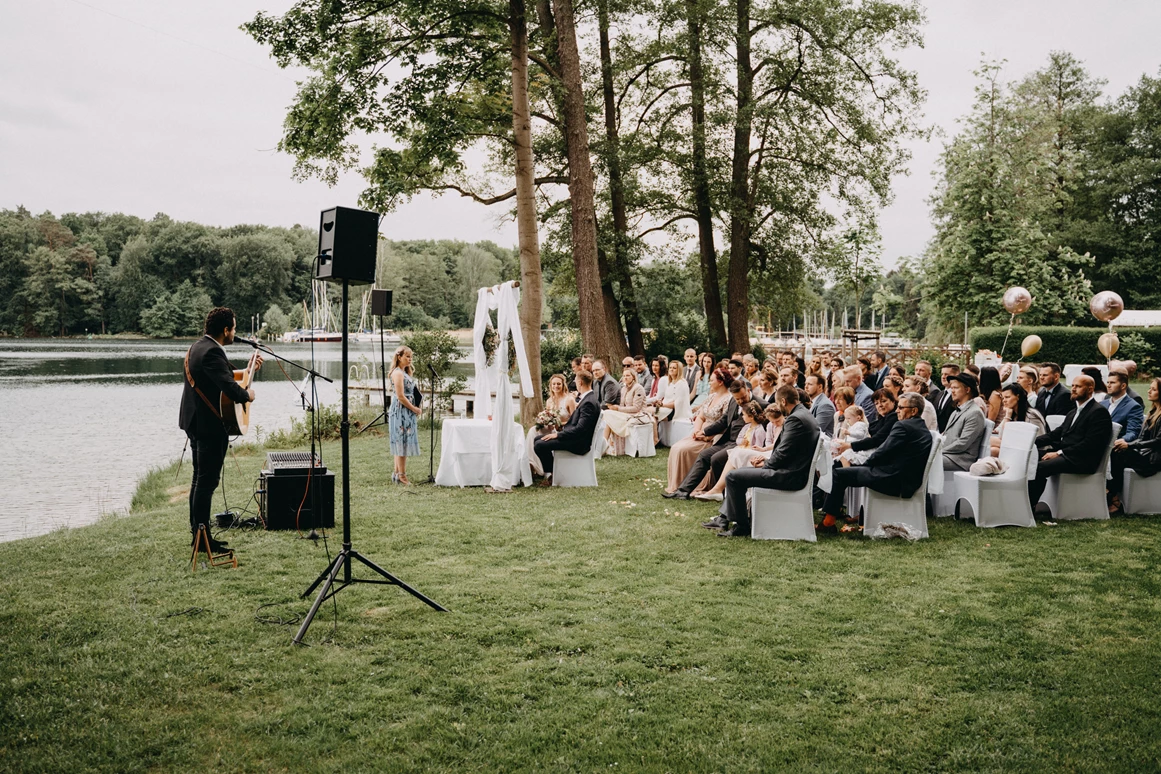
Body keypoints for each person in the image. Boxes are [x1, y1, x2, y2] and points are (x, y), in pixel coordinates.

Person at [179, 306, 260, 553]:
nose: (235, 332)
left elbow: (225, 375)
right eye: (234, 328)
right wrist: (248, 395)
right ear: (226, 330)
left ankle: (199, 536)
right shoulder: (213, 352)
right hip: (208, 427)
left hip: (194, 422)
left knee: (198, 480)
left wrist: (249, 370)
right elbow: (231, 389)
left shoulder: (198, 347)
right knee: (206, 482)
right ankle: (203, 542)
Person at [708, 386, 821, 537]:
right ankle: (725, 518)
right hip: (792, 470)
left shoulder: (795, 419)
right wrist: (766, 460)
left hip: (789, 475)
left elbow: (783, 452)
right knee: (739, 471)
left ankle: (741, 527)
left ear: (783, 401)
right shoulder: (804, 414)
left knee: (733, 477)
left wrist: (766, 464)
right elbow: (786, 450)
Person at [819, 392, 933, 532]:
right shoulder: (922, 428)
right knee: (842, 471)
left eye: (901, 408)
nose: (897, 410)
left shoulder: (903, 426)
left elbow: (883, 451)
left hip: (892, 478)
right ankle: (842, 517)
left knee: (838, 474)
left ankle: (828, 523)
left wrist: (864, 465)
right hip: (907, 479)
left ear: (914, 410)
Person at [664, 378, 760, 499]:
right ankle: (683, 491)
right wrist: (704, 431)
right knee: (704, 455)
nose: (740, 401)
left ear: (748, 390)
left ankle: (720, 491)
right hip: (727, 440)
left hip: (743, 444)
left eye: (743, 397)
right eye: (737, 398)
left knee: (716, 459)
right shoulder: (733, 401)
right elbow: (724, 421)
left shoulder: (760, 404)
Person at [1027, 375, 1114, 508]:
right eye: (1073, 386)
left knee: (1040, 467)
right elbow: (1056, 434)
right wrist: (1030, 442)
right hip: (1069, 455)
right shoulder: (1073, 412)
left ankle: (1029, 506)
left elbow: (1091, 444)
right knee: (1030, 458)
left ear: (1090, 389)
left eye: (1078, 386)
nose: (1073, 389)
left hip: (1083, 460)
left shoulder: (1098, 412)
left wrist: (1060, 453)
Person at [666, 368, 732, 492]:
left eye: (711, 380)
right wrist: (696, 430)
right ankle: (678, 484)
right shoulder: (711, 396)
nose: (709, 383)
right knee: (676, 447)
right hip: (699, 433)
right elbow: (701, 416)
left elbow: (724, 424)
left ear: (720, 382)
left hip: (714, 437)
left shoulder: (729, 399)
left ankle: (692, 484)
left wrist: (707, 436)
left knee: (684, 450)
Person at [534, 370, 601, 485]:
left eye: (575, 381)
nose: (574, 383)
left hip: (578, 442)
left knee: (540, 445)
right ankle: (554, 473)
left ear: (580, 382)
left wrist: (558, 435)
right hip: (574, 436)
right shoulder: (588, 398)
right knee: (537, 439)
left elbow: (580, 429)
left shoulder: (588, 402)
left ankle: (553, 475)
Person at [692, 400, 767, 501]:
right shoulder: (746, 427)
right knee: (727, 456)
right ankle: (720, 490)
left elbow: (758, 445)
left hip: (750, 452)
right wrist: (742, 442)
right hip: (741, 448)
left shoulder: (759, 430)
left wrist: (749, 447)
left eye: (744, 415)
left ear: (751, 416)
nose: (742, 417)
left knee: (732, 456)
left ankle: (718, 490)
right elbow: (738, 438)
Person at [1109, 378, 1161, 514]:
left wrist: (1130, 445)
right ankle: (1111, 492)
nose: (1149, 391)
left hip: (1154, 460)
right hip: (1145, 454)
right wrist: (1127, 444)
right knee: (1116, 450)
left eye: (1154, 389)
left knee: (1117, 453)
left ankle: (1112, 495)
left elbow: (1158, 441)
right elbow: (1142, 437)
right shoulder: (1153, 412)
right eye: (1150, 388)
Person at [527, 374, 576, 476]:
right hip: (551, 429)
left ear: (563, 385)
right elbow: (549, 417)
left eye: (558, 384)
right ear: (550, 385)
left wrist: (560, 423)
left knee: (537, 437)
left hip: (563, 430)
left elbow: (574, 420)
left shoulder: (569, 400)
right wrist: (543, 420)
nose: (556, 386)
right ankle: (531, 464)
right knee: (533, 431)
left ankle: (543, 468)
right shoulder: (550, 401)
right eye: (554, 384)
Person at [832, 389, 898, 463]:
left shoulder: (893, 418)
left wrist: (850, 445)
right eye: (876, 403)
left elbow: (877, 439)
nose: (880, 405)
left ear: (893, 401)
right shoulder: (881, 419)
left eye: (883, 401)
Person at [388, 346, 423, 484]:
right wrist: (414, 408)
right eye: (407, 356)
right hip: (401, 411)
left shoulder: (404, 372)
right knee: (401, 442)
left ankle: (397, 473)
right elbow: (400, 396)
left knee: (401, 442)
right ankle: (402, 475)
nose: (410, 359)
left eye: (411, 357)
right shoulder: (397, 373)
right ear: (399, 357)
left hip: (406, 411)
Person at [941, 372, 988, 472]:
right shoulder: (955, 412)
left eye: (956, 388)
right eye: (951, 388)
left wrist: (938, 451)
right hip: (949, 455)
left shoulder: (975, 413)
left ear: (967, 389)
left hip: (961, 460)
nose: (952, 391)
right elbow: (946, 435)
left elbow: (963, 443)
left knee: (923, 460)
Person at [990, 383, 1046, 456]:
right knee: (993, 447)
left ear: (1018, 397)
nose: (1004, 401)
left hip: (1033, 450)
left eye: (1007, 397)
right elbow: (1001, 436)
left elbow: (1039, 439)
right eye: (1003, 398)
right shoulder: (1012, 413)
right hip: (1017, 447)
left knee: (992, 445)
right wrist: (1007, 416)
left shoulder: (1031, 415)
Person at [601, 368, 648, 455]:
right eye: (624, 376)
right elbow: (622, 405)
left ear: (633, 377)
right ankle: (606, 444)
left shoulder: (638, 388)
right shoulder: (623, 389)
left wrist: (618, 409)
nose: (625, 378)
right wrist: (615, 409)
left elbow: (636, 408)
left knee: (608, 415)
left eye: (628, 375)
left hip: (638, 415)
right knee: (607, 413)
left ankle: (603, 445)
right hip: (626, 414)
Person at [654, 359, 692, 443]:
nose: (671, 369)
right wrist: (660, 403)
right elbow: (667, 398)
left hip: (674, 411)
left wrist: (662, 405)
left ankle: (655, 439)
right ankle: (654, 438)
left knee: (652, 413)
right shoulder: (671, 383)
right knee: (649, 412)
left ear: (679, 370)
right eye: (670, 367)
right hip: (665, 407)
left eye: (674, 368)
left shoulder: (682, 383)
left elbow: (677, 404)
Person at [1102, 369, 1144, 442]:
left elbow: (1133, 432)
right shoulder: (1102, 404)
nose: (1108, 385)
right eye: (1108, 382)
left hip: (1115, 447)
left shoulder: (1133, 407)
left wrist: (1123, 440)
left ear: (1123, 386)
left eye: (1112, 383)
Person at [844, 364, 880, 431]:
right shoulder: (851, 391)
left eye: (849, 381)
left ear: (858, 378)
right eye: (845, 381)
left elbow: (866, 420)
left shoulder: (868, 396)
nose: (846, 384)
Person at [935, 362, 962, 431]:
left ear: (956, 375)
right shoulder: (939, 394)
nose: (943, 377)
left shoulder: (960, 396)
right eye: (942, 374)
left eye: (946, 374)